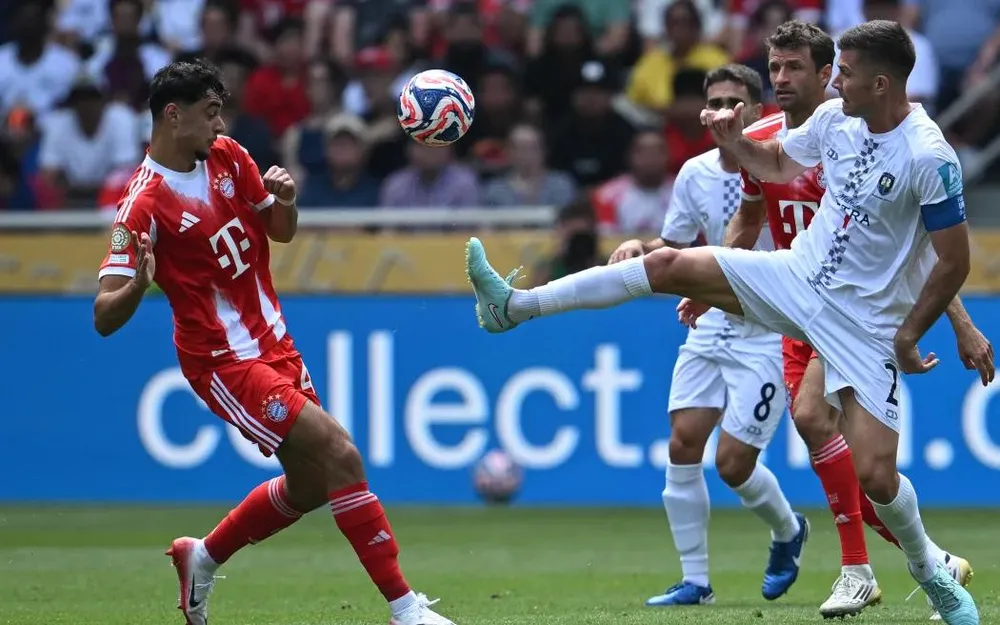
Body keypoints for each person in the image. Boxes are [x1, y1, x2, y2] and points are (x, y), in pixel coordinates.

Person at [465, 20, 993, 625]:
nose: (833, 82)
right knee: (665, 264)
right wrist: (734, 139)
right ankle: (516, 306)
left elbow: (953, 259)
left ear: (880, 82)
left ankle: (931, 573)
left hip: (866, 322)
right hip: (795, 275)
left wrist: (908, 333)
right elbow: (770, 164)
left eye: (842, 73)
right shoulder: (835, 120)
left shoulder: (929, 155)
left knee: (877, 475)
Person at [94, 60, 455, 625]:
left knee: (312, 483)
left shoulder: (230, 157)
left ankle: (202, 556)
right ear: (173, 114)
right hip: (222, 360)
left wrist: (284, 200)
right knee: (342, 454)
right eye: (210, 113)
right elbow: (103, 316)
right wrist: (138, 286)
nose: (219, 124)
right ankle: (405, 609)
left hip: (275, 343)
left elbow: (279, 232)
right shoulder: (140, 207)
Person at [727, 20, 984, 620]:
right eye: (776, 66)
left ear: (829, 76)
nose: (781, 78)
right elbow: (746, 218)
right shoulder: (770, 140)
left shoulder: (863, 140)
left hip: (851, 312)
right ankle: (932, 562)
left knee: (818, 419)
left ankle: (858, 568)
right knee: (839, 449)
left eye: (798, 68)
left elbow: (910, 251)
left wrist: (959, 321)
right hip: (793, 302)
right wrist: (715, 279)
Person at [609, 64, 807, 608]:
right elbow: (675, 242)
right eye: (714, 100)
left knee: (734, 464)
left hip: (767, 325)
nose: (722, 109)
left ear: (755, 109)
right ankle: (695, 581)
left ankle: (789, 530)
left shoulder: (785, 158)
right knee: (682, 445)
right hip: (711, 318)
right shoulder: (693, 173)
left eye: (734, 101)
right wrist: (639, 247)